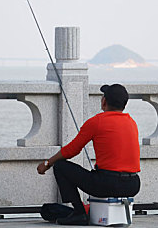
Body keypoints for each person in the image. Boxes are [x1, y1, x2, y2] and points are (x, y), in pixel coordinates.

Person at [37, 83, 141, 226]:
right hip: (133, 184)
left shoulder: (97, 122)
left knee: (61, 166)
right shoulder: (132, 123)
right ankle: (84, 212)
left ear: (104, 101)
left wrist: (48, 163)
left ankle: (79, 212)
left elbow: (71, 150)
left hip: (107, 183)